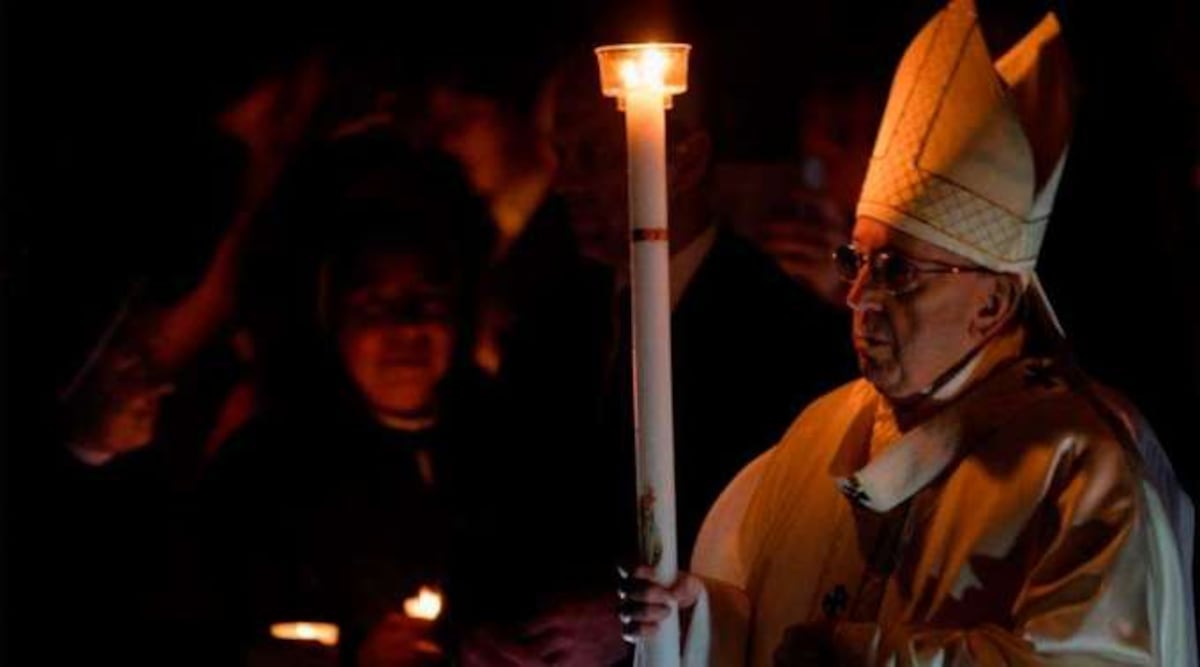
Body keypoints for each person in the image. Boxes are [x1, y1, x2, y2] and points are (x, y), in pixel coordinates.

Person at [621, 2, 1196, 664]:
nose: (861, 296)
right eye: (856, 260)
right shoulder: (819, 432)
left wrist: (865, 657)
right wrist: (697, 621)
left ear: (993, 303)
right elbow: (768, 622)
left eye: (897, 269)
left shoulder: (1078, 467)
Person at [187, 143, 513, 666]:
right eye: (375, 305)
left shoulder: (510, 444)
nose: (406, 327)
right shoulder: (266, 468)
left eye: (427, 302)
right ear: (332, 315)